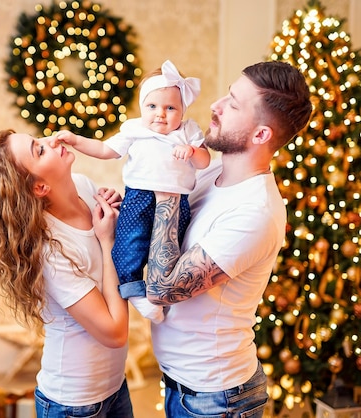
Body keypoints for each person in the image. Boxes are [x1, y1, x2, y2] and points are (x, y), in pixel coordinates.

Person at [144, 61, 313, 417]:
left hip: (217, 399)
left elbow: (163, 289)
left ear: (261, 135)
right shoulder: (213, 170)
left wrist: (167, 188)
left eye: (233, 104)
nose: (215, 105)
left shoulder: (256, 212)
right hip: (183, 385)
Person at [0, 130, 133, 418]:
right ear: (40, 187)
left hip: (115, 386)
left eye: (39, 140)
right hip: (74, 404)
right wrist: (107, 242)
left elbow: (111, 268)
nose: (52, 141)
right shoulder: (49, 248)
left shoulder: (83, 187)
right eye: (39, 150)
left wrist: (114, 214)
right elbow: (115, 332)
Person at [55, 60, 211, 324]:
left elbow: (205, 161)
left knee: (169, 249)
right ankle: (134, 291)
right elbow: (105, 150)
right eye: (152, 106)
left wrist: (193, 152)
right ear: (142, 108)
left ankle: (160, 291)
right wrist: (76, 140)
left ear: (182, 111)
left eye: (170, 108)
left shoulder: (188, 131)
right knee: (128, 244)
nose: (160, 114)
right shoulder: (134, 130)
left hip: (177, 201)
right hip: (138, 197)